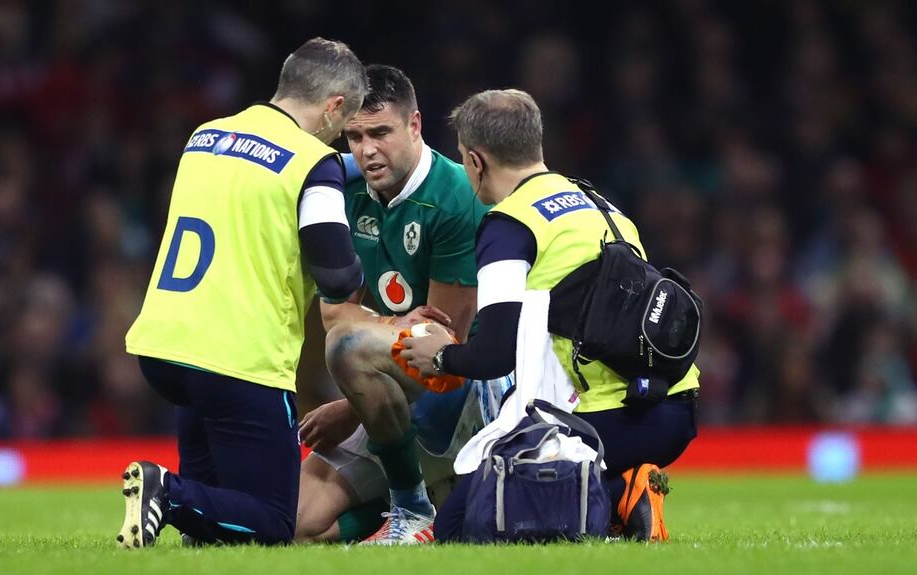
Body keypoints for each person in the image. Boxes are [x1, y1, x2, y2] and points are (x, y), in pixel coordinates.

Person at [402, 89, 700, 542]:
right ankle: (614, 492)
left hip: (611, 417)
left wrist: (440, 356)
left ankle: (621, 493)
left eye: (463, 159)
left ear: (476, 162)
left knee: (462, 527)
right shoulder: (599, 203)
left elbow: (495, 355)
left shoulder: (508, 225)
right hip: (675, 404)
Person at [118, 37, 368, 548]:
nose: (341, 139)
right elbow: (338, 275)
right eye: (344, 127)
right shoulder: (313, 163)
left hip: (167, 344)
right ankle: (164, 492)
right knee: (275, 524)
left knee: (216, 524)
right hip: (238, 357)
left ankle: (183, 510)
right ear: (333, 107)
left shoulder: (205, 136)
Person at [293, 65, 511, 545]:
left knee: (347, 348)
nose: (367, 150)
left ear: (414, 125)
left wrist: (350, 407)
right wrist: (387, 330)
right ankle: (431, 503)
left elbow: (443, 346)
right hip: (389, 381)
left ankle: (412, 503)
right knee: (298, 526)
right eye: (353, 136)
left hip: (464, 395)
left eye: (380, 132)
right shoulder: (344, 192)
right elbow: (333, 312)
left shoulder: (455, 195)